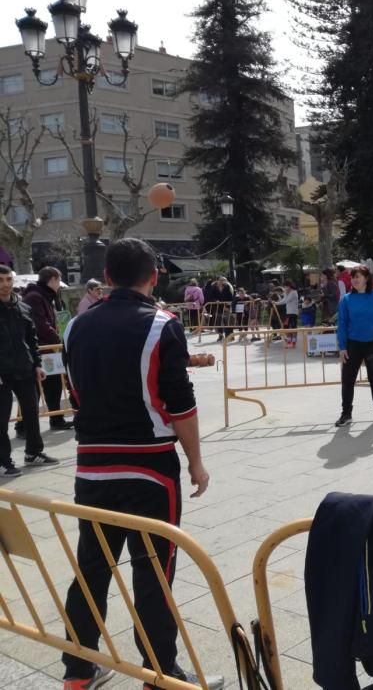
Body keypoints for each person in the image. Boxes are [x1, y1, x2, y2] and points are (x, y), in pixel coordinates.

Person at [60, 238, 220, 690]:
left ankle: (77, 670)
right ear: (154, 277)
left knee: (91, 567)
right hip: (149, 469)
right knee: (154, 572)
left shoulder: (76, 327)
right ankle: (160, 674)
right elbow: (181, 403)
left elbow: (76, 395)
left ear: (107, 278)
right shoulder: (162, 325)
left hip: (92, 467)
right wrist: (196, 462)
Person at [0, 264, 59, 477]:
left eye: (8, 280)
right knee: (2, 419)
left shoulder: (23, 307)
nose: (5, 285)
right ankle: (3, 461)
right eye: (1, 280)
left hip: (24, 369)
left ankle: (33, 453)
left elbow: (31, 339)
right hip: (2, 374)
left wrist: (37, 364)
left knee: (32, 414)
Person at [335, 265, 373, 427]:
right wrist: (342, 347)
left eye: (358, 276)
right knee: (348, 380)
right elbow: (341, 324)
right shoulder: (346, 299)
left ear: (367, 278)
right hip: (352, 345)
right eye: (353, 277)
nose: (355, 280)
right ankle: (346, 414)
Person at [22, 267, 72, 432]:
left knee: (53, 386)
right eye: (59, 280)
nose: (59, 284)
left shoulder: (44, 295)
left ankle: (56, 419)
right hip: (41, 351)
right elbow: (41, 324)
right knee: (37, 390)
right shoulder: (35, 297)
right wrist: (58, 339)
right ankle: (22, 425)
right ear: (52, 279)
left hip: (47, 350)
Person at [283, 279, 300, 348]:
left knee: (293, 327)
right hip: (288, 312)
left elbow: (286, 300)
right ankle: (289, 340)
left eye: (286, 286)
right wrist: (276, 303)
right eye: (284, 287)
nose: (285, 288)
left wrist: (286, 293)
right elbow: (283, 300)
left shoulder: (294, 292)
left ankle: (293, 341)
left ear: (289, 286)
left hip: (293, 312)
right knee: (286, 326)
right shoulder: (286, 293)